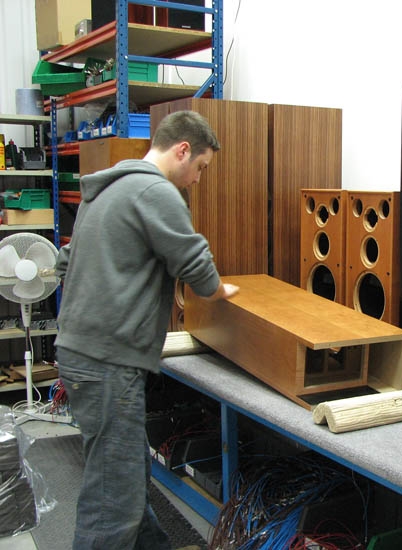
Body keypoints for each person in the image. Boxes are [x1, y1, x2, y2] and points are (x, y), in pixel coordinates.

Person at [54, 110, 238, 550]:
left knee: (126, 475)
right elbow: (193, 262)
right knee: (112, 502)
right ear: (182, 150)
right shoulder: (156, 191)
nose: (198, 179)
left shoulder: (107, 188)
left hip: (80, 355)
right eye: (201, 167)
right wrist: (219, 290)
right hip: (107, 364)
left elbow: (65, 262)